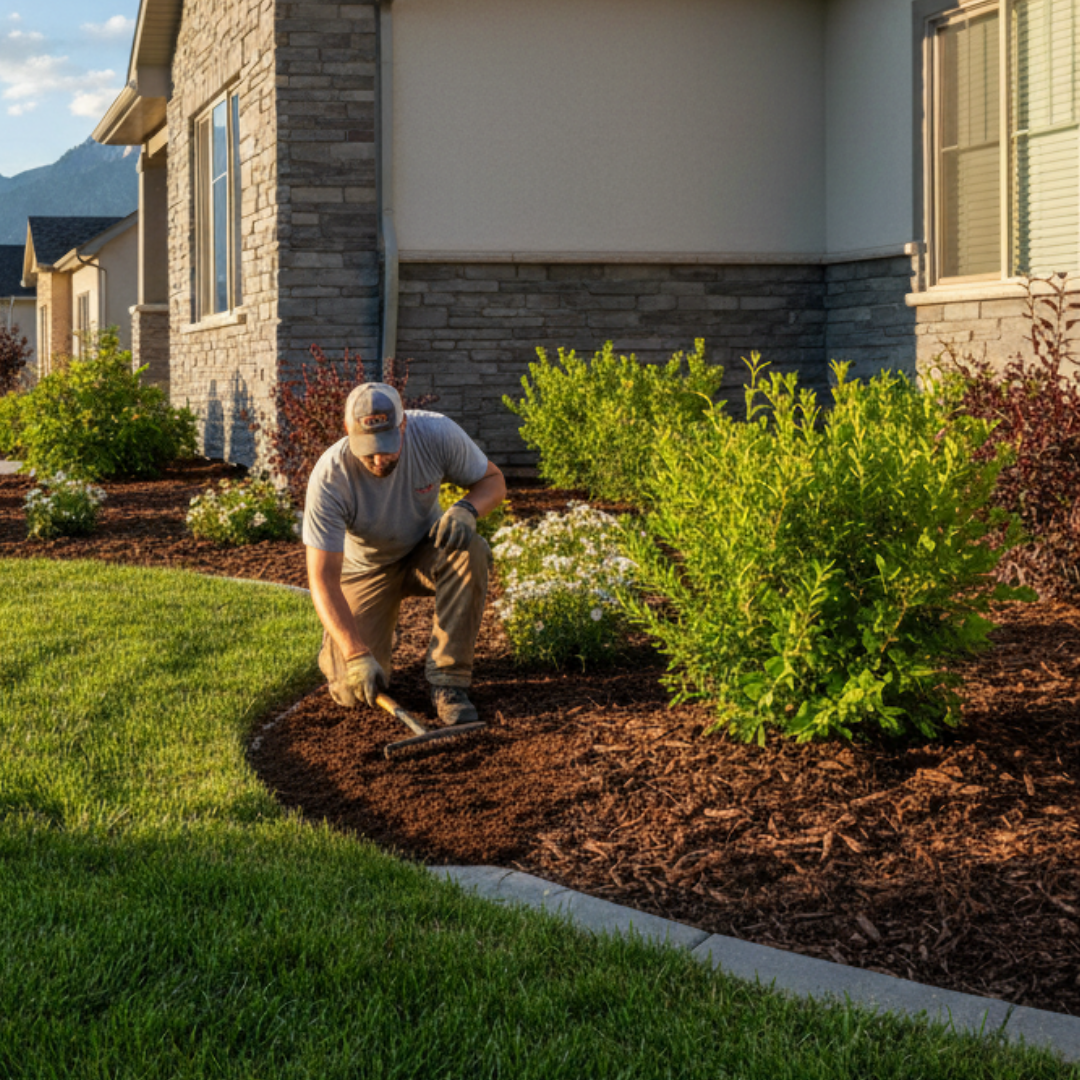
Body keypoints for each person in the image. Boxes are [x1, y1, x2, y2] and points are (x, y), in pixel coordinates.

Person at [302, 382, 506, 725]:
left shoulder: (436, 433)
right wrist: (354, 654)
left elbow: (493, 481)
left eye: (387, 447)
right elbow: (322, 580)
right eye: (368, 450)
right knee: (353, 692)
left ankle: (448, 682)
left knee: (471, 548)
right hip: (364, 570)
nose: (379, 459)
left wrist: (467, 509)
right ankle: (367, 642)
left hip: (423, 549)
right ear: (347, 431)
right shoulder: (330, 477)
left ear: (403, 425)